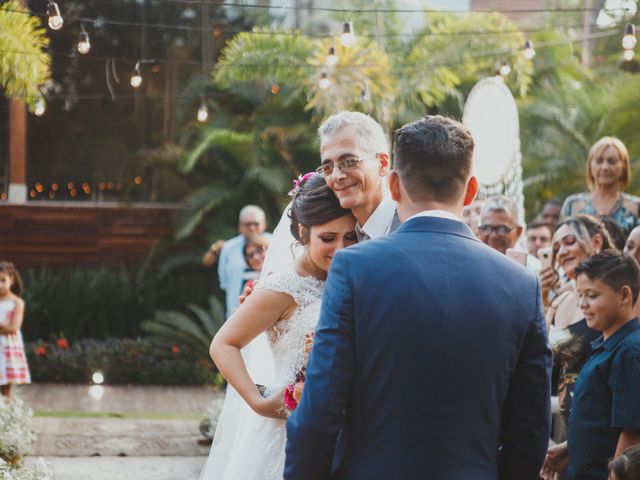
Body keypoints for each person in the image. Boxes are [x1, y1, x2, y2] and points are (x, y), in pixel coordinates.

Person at [285, 115, 551, 479]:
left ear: (393, 184)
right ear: (471, 191)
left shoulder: (354, 269)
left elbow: (320, 412)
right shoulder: (521, 285)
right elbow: (531, 431)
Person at [200, 174, 357, 480]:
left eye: (350, 237)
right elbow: (223, 344)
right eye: (328, 238)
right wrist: (258, 402)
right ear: (303, 232)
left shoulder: (350, 276)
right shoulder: (282, 286)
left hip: (345, 430)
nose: (341, 248)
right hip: (287, 430)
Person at [541, 251, 640, 480]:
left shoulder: (630, 352)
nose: (582, 304)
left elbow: (631, 433)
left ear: (624, 295)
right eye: (580, 295)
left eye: (592, 295)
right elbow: (602, 422)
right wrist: (569, 448)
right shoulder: (606, 344)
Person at [542, 215, 614, 431]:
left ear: (596, 242)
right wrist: (543, 297)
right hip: (571, 431)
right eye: (557, 247)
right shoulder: (560, 301)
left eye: (569, 241)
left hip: (605, 429)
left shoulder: (620, 296)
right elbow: (538, 353)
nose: (561, 252)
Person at [317, 111, 400, 241]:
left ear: (382, 164)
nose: (336, 176)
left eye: (349, 162)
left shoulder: (410, 225)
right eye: (328, 168)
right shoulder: (340, 240)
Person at [561, 136, 640, 234]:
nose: (605, 167)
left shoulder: (636, 207)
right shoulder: (572, 204)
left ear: (624, 166)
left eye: (612, 161)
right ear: (590, 166)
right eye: (599, 161)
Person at [216, 205, 269, 318]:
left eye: (256, 223)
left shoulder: (275, 242)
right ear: (240, 226)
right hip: (236, 313)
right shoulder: (228, 247)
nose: (252, 228)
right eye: (247, 224)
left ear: (264, 224)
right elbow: (224, 281)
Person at [478, 195, 542, 272]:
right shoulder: (473, 264)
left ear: (518, 232)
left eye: (502, 229)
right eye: (486, 228)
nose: (493, 235)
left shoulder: (535, 270)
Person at [0, 261, 31, 398]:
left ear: (11, 279)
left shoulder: (16, 303)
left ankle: (6, 416)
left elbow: (14, 327)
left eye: (2, 280)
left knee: (5, 387)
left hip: (6, 349)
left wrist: (5, 327)